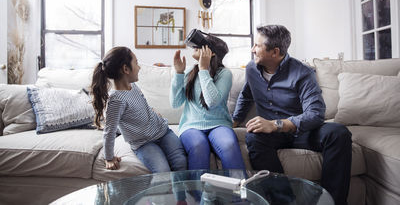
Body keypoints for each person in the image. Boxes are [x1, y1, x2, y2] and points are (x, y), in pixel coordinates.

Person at [232, 25, 352, 205]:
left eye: (257, 45)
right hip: (272, 136)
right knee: (253, 138)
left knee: (339, 133)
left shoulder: (302, 73)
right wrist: (234, 121)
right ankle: (285, 202)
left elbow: (316, 113)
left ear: (275, 52)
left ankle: (332, 202)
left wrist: (276, 124)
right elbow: (246, 95)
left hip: (302, 132)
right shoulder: (251, 69)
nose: (252, 49)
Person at [91, 46, 187, 174]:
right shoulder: (116, 100)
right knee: (162, 171)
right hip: (143, 143)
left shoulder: (133, 85)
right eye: (136, 63)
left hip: (163, 131)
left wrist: (152, 113)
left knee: (181, 162)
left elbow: (140, 106)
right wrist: (109, 158)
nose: (139, 67)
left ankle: (182, 194)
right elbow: (109, 131)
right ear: (126, 69)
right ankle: (165, 194)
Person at [170, 33, 246, 171]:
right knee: (198, 146)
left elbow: (212, 102)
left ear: (211, 53)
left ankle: (240, 190)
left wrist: (203, 70)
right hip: (191, 126)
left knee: (228, 144)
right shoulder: (189, 73)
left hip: (219, 125)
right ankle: (196, 192)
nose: (195, 47)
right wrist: (178, 73)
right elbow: (175, 103)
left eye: (201, 46)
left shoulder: (224, 74)